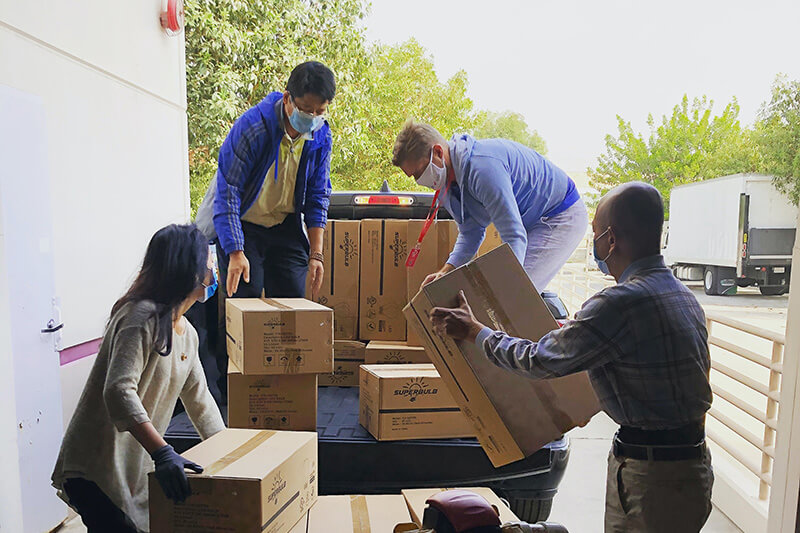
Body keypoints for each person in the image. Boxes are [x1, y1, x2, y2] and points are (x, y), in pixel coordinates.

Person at [429, 182, 714, 533]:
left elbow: (538, 360)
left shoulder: (619, 304)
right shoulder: (683, 297)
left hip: (652, 479)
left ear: (611, 239)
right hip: (691, 467)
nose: (595, 244)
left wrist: (474, 331)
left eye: (595, 233)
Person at [52, 224, 225, 533]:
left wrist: (232, 456)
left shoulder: (187, 334)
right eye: (209, 262)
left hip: (133, 467)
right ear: (188, 269)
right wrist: (162, 451)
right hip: (96, 466)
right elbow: (119, 391)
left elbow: (200, 402)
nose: (214, 269)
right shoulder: (140, 317)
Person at [392, 120, 588, 291]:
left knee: (518, 296)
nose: (419, 180)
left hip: (559, 214)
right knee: (506, 297)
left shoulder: (483, 169)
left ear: (437, 152)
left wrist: (503, 290)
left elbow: (514, 236)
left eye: (419, 172)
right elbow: (471, 233)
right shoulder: (448, 186)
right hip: (530, 220)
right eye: (413, 177)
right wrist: (445, 272)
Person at [207, 60, 335, 301]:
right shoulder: (253, 127)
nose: (313, 118)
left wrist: (316, 254)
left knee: (293, 301)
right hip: (245, 225)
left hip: (285, 225)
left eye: (320, 111)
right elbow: (228, 192)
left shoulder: (321, 136)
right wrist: (235, 251)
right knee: (247, 298)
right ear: (287, 98)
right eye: (307, 110)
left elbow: (318, 195)